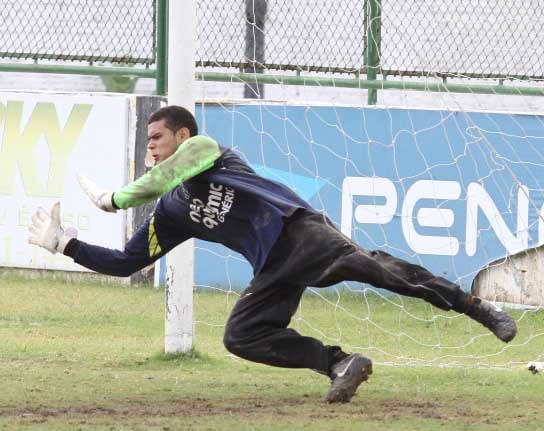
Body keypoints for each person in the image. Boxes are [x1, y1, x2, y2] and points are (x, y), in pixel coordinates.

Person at [28, 105, 517, 403]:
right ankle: (339, 363)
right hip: (273, 266)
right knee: (241, 336)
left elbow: (157, 178)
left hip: (301, 233)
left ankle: (478, 308)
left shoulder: (204, 149)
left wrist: (110, 199)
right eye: (147, 140)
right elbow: (126, 262)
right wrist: (66, 244)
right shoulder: (171, 213)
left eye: (156, 137)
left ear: (180, 136)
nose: (150, 146)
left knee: (387, 274)